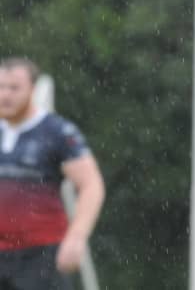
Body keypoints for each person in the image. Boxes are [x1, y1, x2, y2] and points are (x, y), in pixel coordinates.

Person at [0, 58, 105, 290]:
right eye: (1, 87)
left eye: (14, 88)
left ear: (33, 89)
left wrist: (77, 237)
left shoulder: (57, 132)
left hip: (40, 255)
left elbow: (91, 184)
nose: (6, 95)